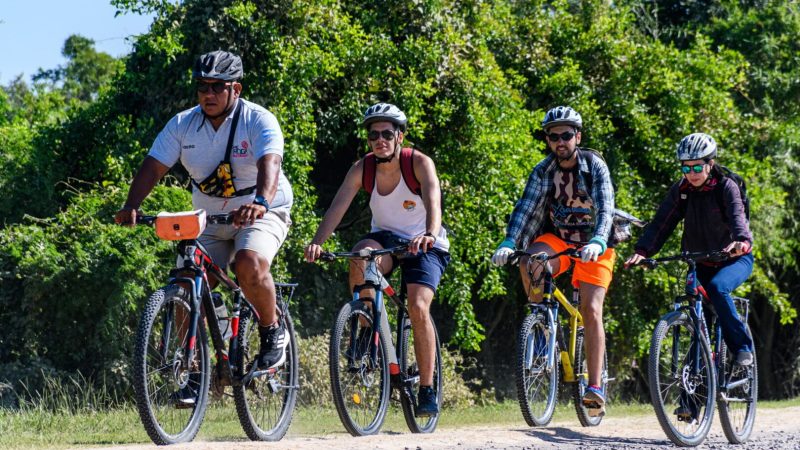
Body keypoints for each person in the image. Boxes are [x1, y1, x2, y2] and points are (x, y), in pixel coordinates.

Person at [115, 50, 294, 400]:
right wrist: (131, 206)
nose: (207, 94)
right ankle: (195, 374)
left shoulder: (258, 120)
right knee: (186, 282)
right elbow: (154, 166)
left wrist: (259, 202)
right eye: (201, 87)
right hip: (209, 218)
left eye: (216, 86)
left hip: (261, 210)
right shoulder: (183, 124)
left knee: (248, 263)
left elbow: (270, 164)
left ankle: (273, 331)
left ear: (235, 89)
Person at [304, 103, 450, 417]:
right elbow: (337, 209)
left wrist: (429, 233)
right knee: (360, 258)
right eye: (373, 134)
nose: (379, 139)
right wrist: (317, 243)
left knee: (418, 306)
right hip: (385, 238)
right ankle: (366, 326)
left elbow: (434, 199)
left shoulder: (419, 163)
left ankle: (426, 389)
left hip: (425, 241)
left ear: (400, 136)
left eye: (387, 133)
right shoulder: (363, 168)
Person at [491, 106, 615, 416]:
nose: (560, 141)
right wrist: (510, 241)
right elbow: (527, 209)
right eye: (553, 136)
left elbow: (606, 207)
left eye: (566, 135)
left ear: (578, 136)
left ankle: (596, 387)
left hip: (596, 243)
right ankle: (542, 322)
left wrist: (599, 239)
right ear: (547, 139)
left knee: (591, 308)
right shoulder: (543, 170)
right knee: (530, 260)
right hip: (559, 238)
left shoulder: (594, 166)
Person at [624, 132, 754, 371]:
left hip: (735, 259)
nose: (691, 174)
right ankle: (690, 404)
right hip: (700, 261)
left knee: (717, 287)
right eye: (686, 168)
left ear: (710, 164)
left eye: (697, 167)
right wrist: (643, 251)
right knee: (696, 316)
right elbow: (662, 223)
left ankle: (742, 347)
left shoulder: (727, 187)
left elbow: (738, 219)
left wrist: (741, 242)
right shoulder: (682, 190)